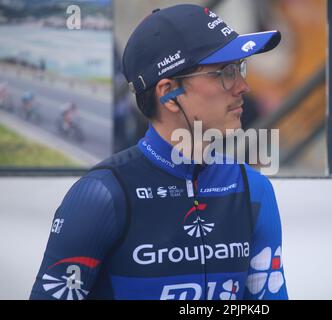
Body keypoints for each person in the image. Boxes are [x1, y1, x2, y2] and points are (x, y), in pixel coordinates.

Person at [30, 4, 287, 300]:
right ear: (168, 93)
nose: (243, 86)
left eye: (240, 67)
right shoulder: (101, 196)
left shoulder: (254, 189)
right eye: (225, 72)